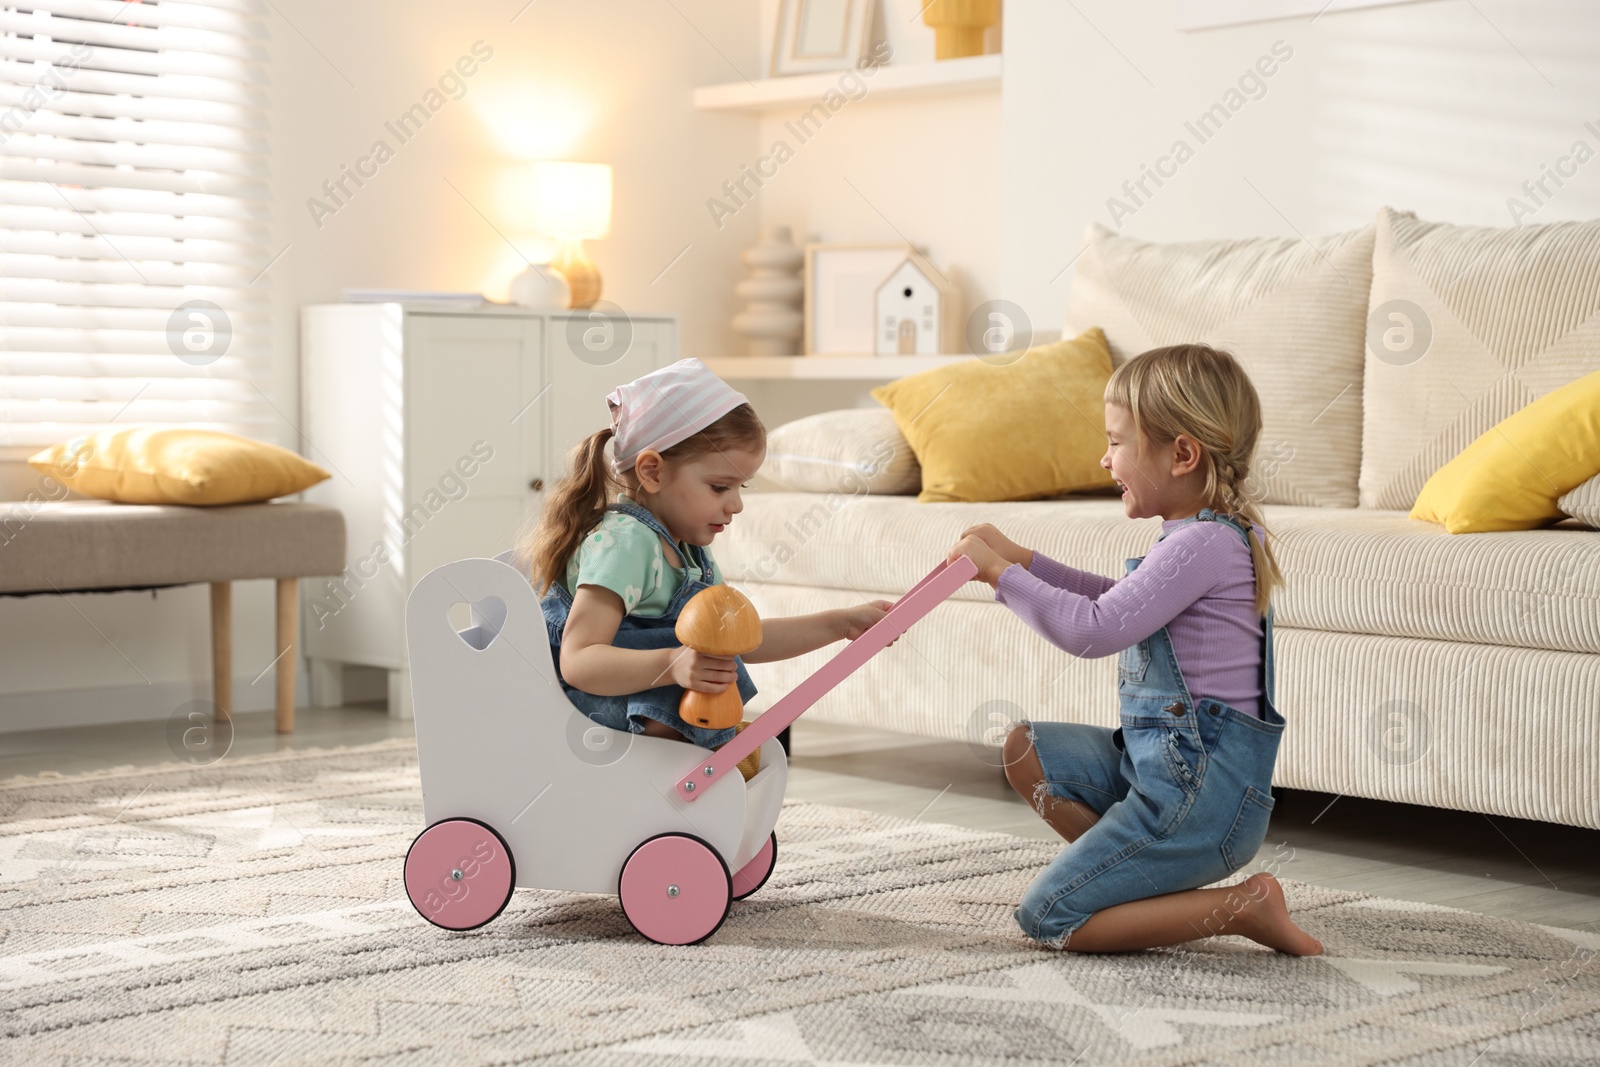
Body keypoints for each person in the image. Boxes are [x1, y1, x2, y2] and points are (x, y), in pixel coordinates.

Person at [948, 343, 1323, 956]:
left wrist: (1000, 576)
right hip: (1159, 773)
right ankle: (1132, 885)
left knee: (1049, 915)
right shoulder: (1198, 537)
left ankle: (1237, 908)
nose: (1105, 457)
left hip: (1200, 800)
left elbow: (1094, 629)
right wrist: (1022, 560)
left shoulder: (1203, 543)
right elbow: (1119, 599)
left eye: (1117, 441)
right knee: (1027, 750)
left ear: (1181, 454)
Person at [517, 357, 894, 751]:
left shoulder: (689, 552)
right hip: (577, 711)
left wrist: (841, 623)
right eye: (719, 487)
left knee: (710, 669)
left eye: (740, 488)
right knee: (685, 686)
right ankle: (680, 766)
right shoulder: (626, 543)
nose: (736, 505)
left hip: (622, 711)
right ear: (652, 472)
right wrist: (673, 665)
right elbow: (578, 662)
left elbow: (740, 641)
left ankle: (695, 761)